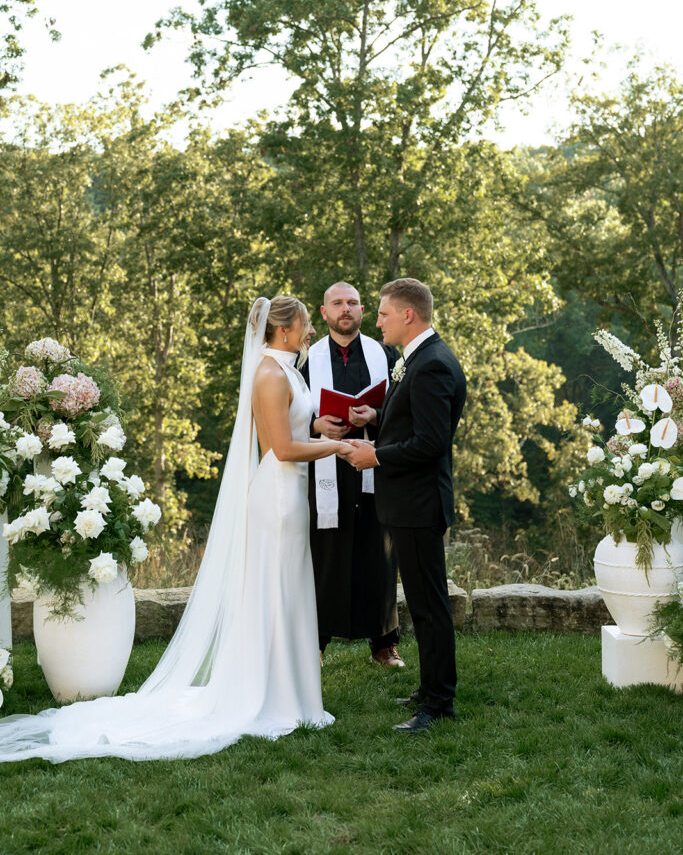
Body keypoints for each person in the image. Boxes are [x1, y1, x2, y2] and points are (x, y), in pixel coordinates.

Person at [0, 296, 350, 763]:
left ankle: (292, 693)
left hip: (292, 496)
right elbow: (281, 450)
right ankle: (272, 697)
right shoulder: (268, 373)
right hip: (278, 498)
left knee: (287, 591)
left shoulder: (287, 369)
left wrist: (319, 427)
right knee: (274, 592)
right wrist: (335, 448)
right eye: (306, 324)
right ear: (283, 330)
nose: (310, 332)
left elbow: (291, 427)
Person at [345, 278, 466, 734]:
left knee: (430, 607)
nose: (376, 321)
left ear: (408, 315)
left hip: (419, 504)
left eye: (382, 314)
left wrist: (374, 454)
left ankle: (438, 705)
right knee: (421, 604)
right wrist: (378, 418)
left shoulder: (432, 365)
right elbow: (414, 419)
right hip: (408, 503)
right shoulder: (417, 359)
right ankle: (430, 687)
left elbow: (432, 442)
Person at [301, 282, 402, 667]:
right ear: (324, 313)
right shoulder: (306, 361)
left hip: (373, 464)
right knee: (323, 555)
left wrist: (375, 416)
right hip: (323, 472)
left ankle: (383, 642)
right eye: (338, 303)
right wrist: (315, 425)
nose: (346, 309)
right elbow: (287, 415)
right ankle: (316, 641)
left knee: (379, 553)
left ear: (363, 312)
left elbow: (402, 412)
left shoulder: (387, 356)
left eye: (354, 303)